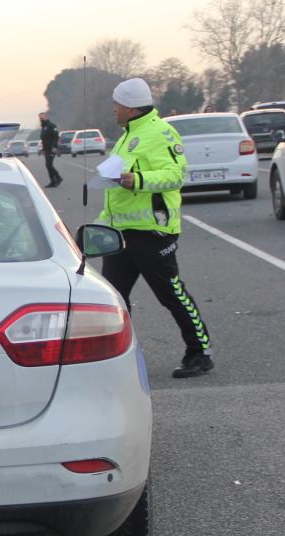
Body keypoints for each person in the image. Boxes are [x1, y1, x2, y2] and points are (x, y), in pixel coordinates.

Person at [99, 77, 213, 378]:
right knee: (114, 300)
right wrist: (100, 226)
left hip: (152, 231)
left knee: (171, 294)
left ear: (130, 106)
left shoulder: (160, 132)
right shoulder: (127, 135)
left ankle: (200, 353)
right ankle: (117, 359)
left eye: (116, 104)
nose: (114, 109)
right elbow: (116, 189)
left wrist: (138, 180)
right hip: (121, 232)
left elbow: (176, 175)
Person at [39, 112, 62, 188]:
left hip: (51, 148)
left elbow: (56, 136)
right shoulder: (43, 127)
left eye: (42, 118)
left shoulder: (51, 126)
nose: (41, 119)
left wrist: (54, 147)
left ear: (46, 117)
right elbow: (43, 139)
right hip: (46, 149)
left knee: (49, 164)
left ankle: (58, 178)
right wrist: (43, 149)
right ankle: (53, 181)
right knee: (48, 165)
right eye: (40, 118)